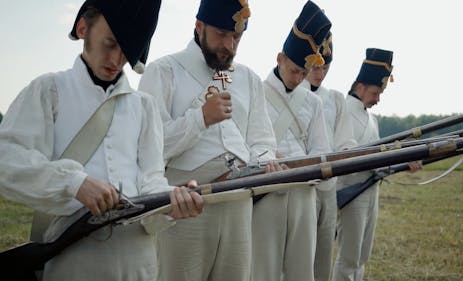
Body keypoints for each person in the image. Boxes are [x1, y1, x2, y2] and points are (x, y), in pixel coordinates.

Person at [0, 0, 203, 280]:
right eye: (110, 43)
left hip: (137, 263)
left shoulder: (145, 106)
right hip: (73, 259)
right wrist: (74, 183)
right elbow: (6, 160)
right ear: (83, 26)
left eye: (127, 52)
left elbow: (151, 181)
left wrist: (172, 202)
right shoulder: (48, 90)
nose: (116, 60)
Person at [138, 0, 277, 280]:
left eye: (236, 36)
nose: (230, 45)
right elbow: (148, 149)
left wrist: (265, 164)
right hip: (185, 201)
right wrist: (200, 119)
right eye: (222, 34)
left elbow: (263, 141)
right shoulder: (163, 71)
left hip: (239, 196)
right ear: (199, 27)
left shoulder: (248, 78)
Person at [251, 1, 332, 281]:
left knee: (301, 272)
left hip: (303, 190)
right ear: (280, 58)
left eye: (304, 71)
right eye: (295, 69)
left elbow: (323, 151)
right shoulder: (255, 92)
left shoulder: (313, 102)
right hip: (265, 193)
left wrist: (301, 165)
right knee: (264, 272)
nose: (299, 78)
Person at [332, 48, 421, 281]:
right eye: (375, 92)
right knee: (349, 256)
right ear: (359, 87)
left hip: (371, 189)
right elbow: (351, 154)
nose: (378, 98)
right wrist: (398, 155)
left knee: (362, 255)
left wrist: (403, 159)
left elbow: (378, 158)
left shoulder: (371, 118)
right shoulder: (341, 109)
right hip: (350, 190)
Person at [300, 31, 356, 281]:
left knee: (323, 256)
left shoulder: (335, 99)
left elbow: (346, 141)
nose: (320, 75)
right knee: (297, 258)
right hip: (300, 187)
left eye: (326, 68)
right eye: (315, 67)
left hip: (329, 186)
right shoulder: (291, 95)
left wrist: (345, 152)